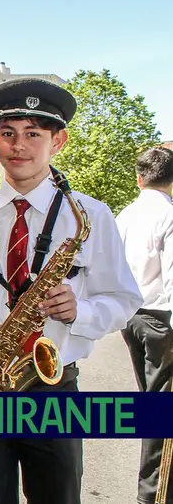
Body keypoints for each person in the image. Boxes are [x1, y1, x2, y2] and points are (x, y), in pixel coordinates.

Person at [0, 78, 143, 504]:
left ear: (57, 142)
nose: (18, 146)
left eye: (33, 135)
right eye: (8, 134)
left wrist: (80, 310)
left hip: (52, 388)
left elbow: (124, 301)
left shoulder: (91, 216)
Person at [115, 145, 173, 504]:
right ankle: (154, 495)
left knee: (153, 406)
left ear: (139, 178)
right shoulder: (169, 216)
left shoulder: (125, 215)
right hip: (162, 321)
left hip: (132, 319)